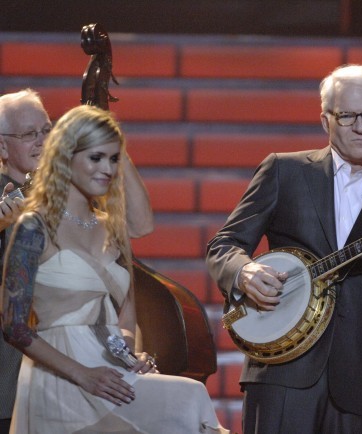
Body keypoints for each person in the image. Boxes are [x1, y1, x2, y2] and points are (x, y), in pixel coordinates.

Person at [206, 64, 362, 434]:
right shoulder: (283, 171)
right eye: (347, 115)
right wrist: (244, 271)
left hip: (358, 381)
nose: (360, 126)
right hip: (282, 367)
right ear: (326, 121)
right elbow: (224, 245)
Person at [0, 105, 229, 433]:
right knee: (189, 399)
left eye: (113, 159)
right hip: (60, 376)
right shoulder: (34, 226)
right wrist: (84, 375)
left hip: (110, 369)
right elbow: (14, 327)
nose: (107, 169)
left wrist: (128, 355)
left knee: (189, 399)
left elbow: (125, 313)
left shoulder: (113, 229)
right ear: (65, 157)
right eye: (96, 158)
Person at [0, 89, 155, 433]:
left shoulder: (94, 211)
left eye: (47, 130)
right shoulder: (22, 212)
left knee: (185, 405)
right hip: (34, 365)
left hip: (104, 362)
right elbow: (14, 319)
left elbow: (142, 226)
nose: (41, 141)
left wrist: (107, 135)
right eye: (29, 134)